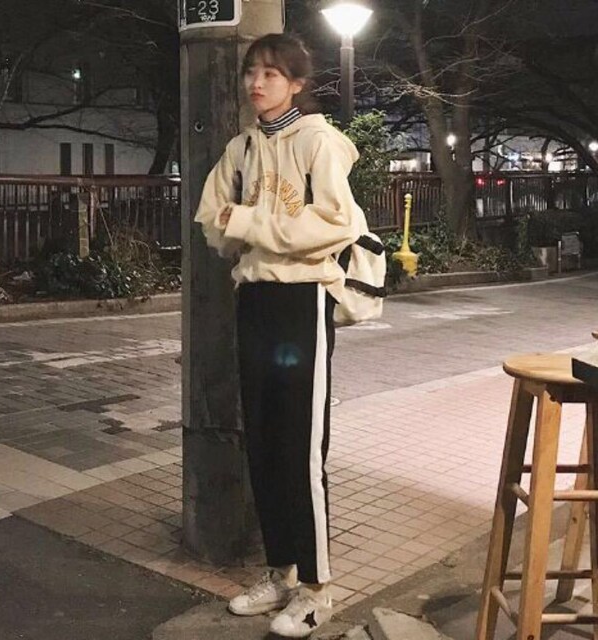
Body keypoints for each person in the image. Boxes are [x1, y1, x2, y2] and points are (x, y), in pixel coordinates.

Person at [195, 33, 364, 638]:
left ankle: (317, 590)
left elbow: (338, 223)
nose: (256, 83)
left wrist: (248, 222)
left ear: (296, 83)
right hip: (256, 299)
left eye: (271, 73)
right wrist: (250, 228)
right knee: (264, 442)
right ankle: (281, 573)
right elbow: (209, 219)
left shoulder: (319, 141)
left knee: (300, 447)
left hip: (302, 301)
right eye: (251, 72)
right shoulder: (241, 148)